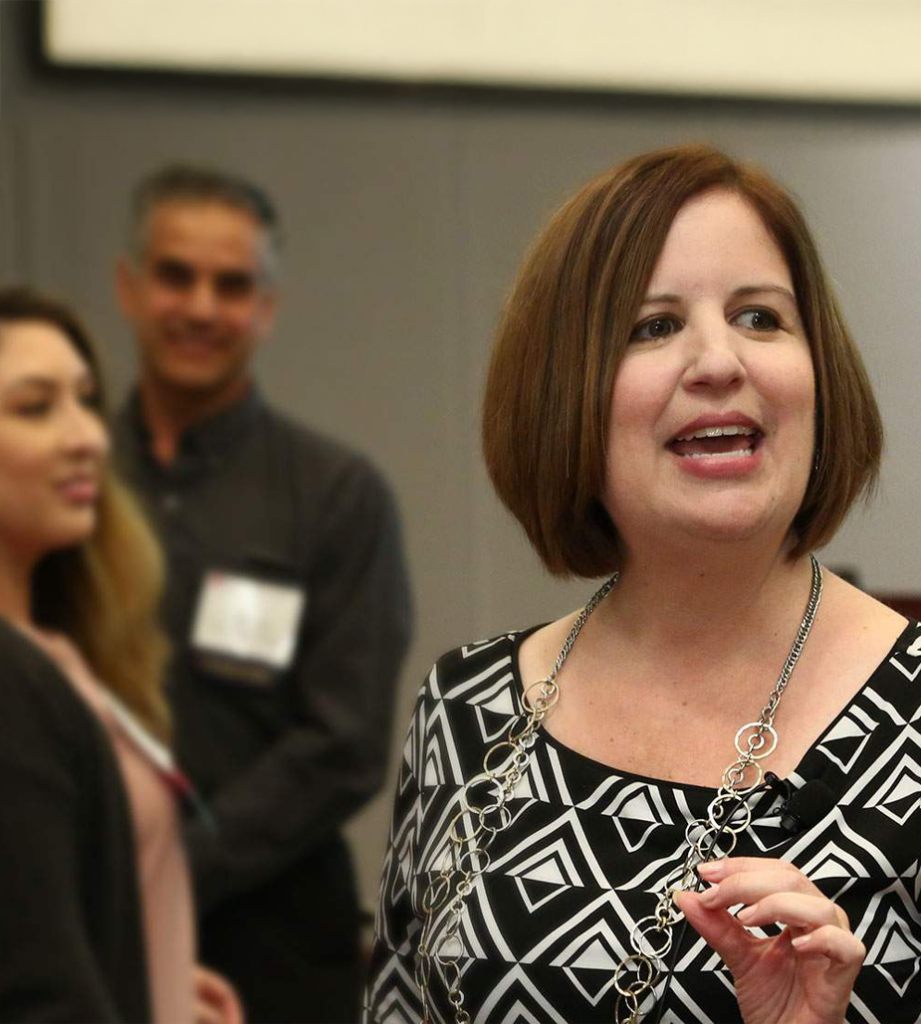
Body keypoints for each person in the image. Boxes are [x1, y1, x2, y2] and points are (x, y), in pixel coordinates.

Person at [364, 145, 921, 1023]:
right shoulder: (464, 711)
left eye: (759, 317)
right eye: (653, 326)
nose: (717, 361)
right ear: (564, 394)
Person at [114, 164, 413, 1023]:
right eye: (176, 275)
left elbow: (344, 740)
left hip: (272, 953)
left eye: (232, 284)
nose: (201, 306)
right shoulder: (71, 482)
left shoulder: (335, 496)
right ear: (129, 288)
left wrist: (171, 866)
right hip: (77, 926)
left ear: (267, 309)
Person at [0, 286, 243, 1024]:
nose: (88, 437)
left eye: (85, 399)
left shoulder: (53, 651)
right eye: (35, 407)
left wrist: (149, 973)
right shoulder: (9, 682)